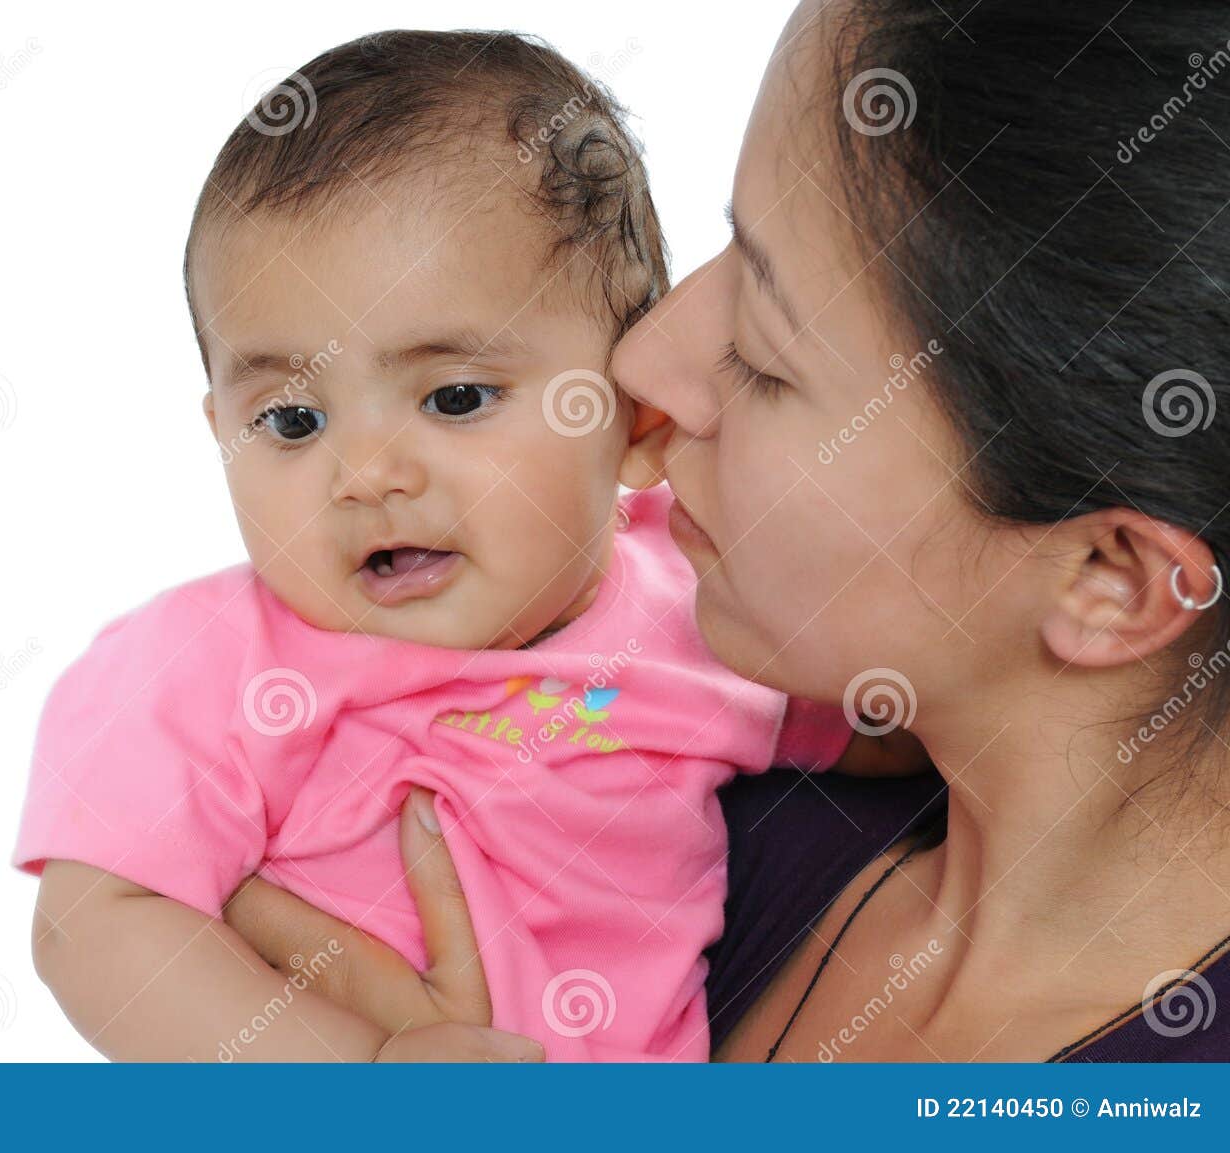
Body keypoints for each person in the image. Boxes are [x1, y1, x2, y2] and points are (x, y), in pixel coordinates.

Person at [220, 0, 1230, 1061]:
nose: (640, 364)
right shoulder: (657, 814)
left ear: (1109, 578)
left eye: (761, 349)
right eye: (730, 247)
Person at [13, 29, 923, 1063]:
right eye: (292, 421)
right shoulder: (206, 664)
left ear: (633, 419)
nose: (364, 475)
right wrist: (357, 1076)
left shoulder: (696, 602)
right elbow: (94, 920)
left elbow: (902, 719)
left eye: (454, 397)